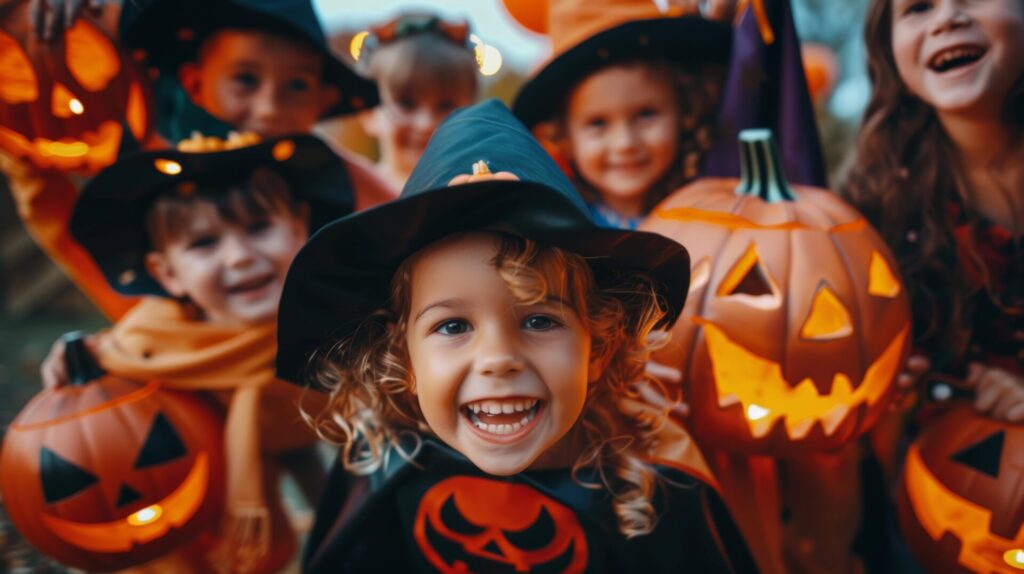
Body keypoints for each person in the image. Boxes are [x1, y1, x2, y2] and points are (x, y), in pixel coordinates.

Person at [274, 99, 755, 573]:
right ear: (402, 354)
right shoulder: (384, 462)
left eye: (540, 320)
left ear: (599, 347)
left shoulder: (660, 482)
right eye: (454, 326)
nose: (498, 359)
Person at [40, 133, 353, 573]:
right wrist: (74, 359)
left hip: (306, 428)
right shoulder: (154, 344)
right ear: (166, 274)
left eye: (259, 227)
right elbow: (112, 366)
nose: (239, 257)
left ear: (301, 225)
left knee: (349, 510)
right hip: (224, 454)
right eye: (204, 244)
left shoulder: (335, 314)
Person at [3, 0, 397, 321]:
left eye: (296, 85)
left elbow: (403, 245)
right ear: (195, 83)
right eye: (244, 80)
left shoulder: (340, 178)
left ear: (322, 100)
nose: (268, 109)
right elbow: (63, 223)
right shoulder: (154, 175)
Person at [842, 0, 1024, 425]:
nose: (947, 19)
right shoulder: (875, 211)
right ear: (890, 56)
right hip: (943, 470)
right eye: (918, 7)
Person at [511, 0, 732, 230]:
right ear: (564, 137)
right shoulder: (558, 233)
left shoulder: (714, 211)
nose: (625, 143)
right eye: (598, 123)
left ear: (685, 111)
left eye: (646, 114)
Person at [356, 13, 479, 189]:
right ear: (366, 111)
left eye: (446, 106)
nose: (426, 124)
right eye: (406, 103)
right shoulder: (340, 203)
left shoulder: (480, 203)